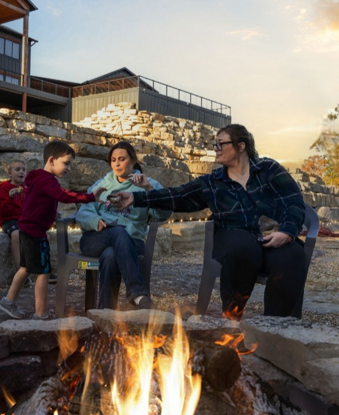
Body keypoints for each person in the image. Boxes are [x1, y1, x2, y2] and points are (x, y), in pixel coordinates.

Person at [113, 124, 308, 320]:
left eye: (221, 144)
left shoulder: (269, 170)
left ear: (241, 146)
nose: (216, 149)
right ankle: (232, 321)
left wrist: (288, 231)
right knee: (243, 250)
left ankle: (275, 327)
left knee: (293, 256)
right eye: (215, 145)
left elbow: (293, 201)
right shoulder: (213, 181)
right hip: (233, 235)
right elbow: (178, 195)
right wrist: (135, 198)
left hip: (272, 236)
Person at [0, 140, 107, 320]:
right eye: (66, 163)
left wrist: (50, 215)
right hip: (34, 232)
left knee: (25, 268)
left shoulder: (38, 178)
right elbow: (63, 195)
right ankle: (41, 313)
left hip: (28, 228)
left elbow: (38, 203)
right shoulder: (47, 181)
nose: (68, 168)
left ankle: (8, 301)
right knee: (43, 272)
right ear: (52, 160)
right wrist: (90, 197)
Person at [75, 142, 172, 310]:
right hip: (96, 239)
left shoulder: (149, 185)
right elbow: (83, 212)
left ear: (133, 160)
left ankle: (105, 314)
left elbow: (164, 214)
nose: (117, 164)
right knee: (117, 231)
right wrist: (94, 221)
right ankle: (137, 294)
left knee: (111, 254)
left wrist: (148, 189)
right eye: (113, 160)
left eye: (121, 159)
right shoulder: (102, 185)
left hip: (132, 243)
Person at [0, 160, 31, 288]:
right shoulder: (4, 189)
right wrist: (9, 198)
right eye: (17, 169)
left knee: (43, 235)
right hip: (8, 220)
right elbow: (1, 211)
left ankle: (44, 269)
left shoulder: (27, 190)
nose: (21, 172)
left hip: (23, 220)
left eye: (23, 170)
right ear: (10, 173)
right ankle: (20, 273)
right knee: (16, 235)